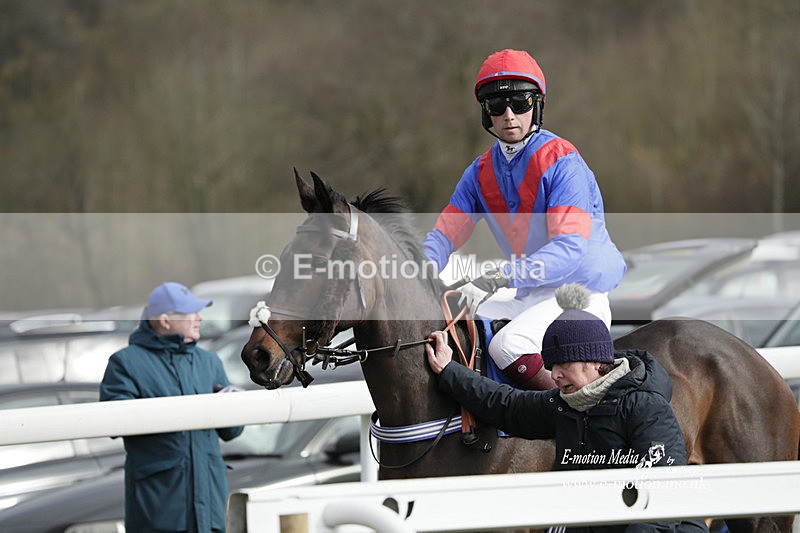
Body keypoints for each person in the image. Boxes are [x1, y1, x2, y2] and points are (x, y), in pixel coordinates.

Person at [425, 284, 708, 533]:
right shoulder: (564, 405)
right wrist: (449, 370)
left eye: (564, 364)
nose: (555, 375)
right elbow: (507, 405)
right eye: (551, 366)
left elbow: (661, 499)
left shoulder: (646, 408)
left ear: (596, 362)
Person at [423, 49, 627, 390]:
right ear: (486, 112)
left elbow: (568, 249)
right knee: (454, 323)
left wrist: (497, 276)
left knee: (508, 345)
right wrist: (420, 269)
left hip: (579, 292)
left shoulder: (563, 162)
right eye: (496, 106)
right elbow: (444, 235)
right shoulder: (479, 172)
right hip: (531, 294)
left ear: (537, 105)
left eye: (520, 103)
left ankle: (574, 414)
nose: (508, 115)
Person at [100, 281, 244, 533]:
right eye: (191, 312)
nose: (200, 317)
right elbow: (114, 421)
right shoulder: (125, 363)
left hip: (210, 508)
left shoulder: (209, 362)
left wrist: (232, 408)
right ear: (165, 321)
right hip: (160, 510)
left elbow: (232, 432)